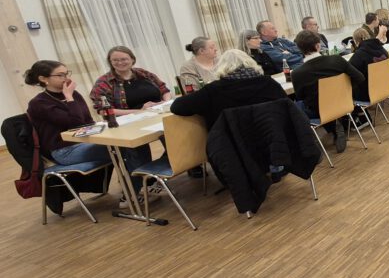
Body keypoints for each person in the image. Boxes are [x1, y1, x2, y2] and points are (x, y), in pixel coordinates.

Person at [26, 60, 151, 195]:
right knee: (126, 147)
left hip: (86, 140)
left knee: (135, 143)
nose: (66, 78)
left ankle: (145, 183)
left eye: (66, 74)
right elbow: (75, 123)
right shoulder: (39, 103)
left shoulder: (74, 94)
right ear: (43, 79)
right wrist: (69, 97)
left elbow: (87, 121)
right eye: (60, 75)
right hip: (65, 150)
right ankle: (133, 194)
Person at [170, 49, 288, 130]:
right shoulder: (268, 83)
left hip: (231, 148)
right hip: (273, 138)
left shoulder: (213, 90)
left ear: (221, 66)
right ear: (251, 63)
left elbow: (177, 107)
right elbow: (286, 107)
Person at [290, 30, 365, 152]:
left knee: (295, 106)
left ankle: (310, 143)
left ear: (300, 49)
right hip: (343, 103)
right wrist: (346, 91)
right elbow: (360, 77)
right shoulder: (337, 60)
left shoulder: (297, 73)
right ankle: (335, 125)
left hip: (319, 111)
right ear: (318, 45)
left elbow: (300, 96)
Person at [90, 46, 173, 115]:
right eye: (115, 60)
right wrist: (141, 111)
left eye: (123, 59)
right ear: (110, 62)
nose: (120, 63)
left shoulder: (143, 73)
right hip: (131, 121)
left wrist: (166, 103)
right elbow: (104, 111)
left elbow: (164, 89)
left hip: (161, 113)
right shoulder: (103, 82)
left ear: (132, 59)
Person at [349, 21, 389, 103]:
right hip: (385, 87)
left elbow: (350, 70)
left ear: (356, 42)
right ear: (368, 36)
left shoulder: (359, 55)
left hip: (367, 94)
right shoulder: (382, 49)